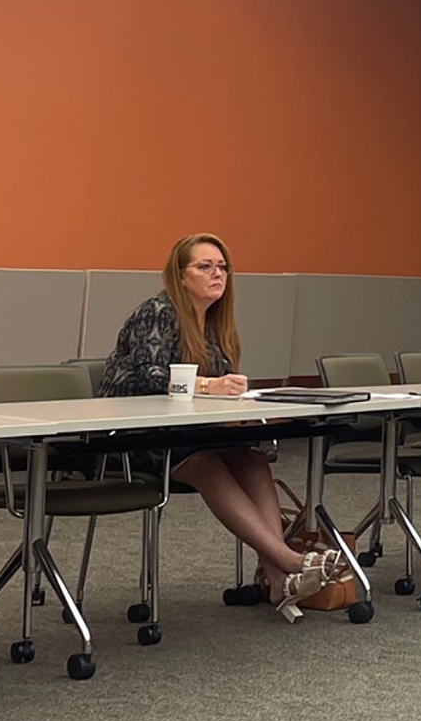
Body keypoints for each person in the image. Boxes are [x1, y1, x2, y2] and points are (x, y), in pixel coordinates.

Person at [102, 234, 339, 620]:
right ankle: (289, 562)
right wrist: (209, 385)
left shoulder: (213, 323)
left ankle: (277, 579)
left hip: (188, 434)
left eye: (223, 267)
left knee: (253, 460)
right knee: (209, 466)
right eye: (205, 266)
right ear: (180, 277)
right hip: (134, 438)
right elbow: (146, 377)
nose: (217, 274)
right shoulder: (158, 312)